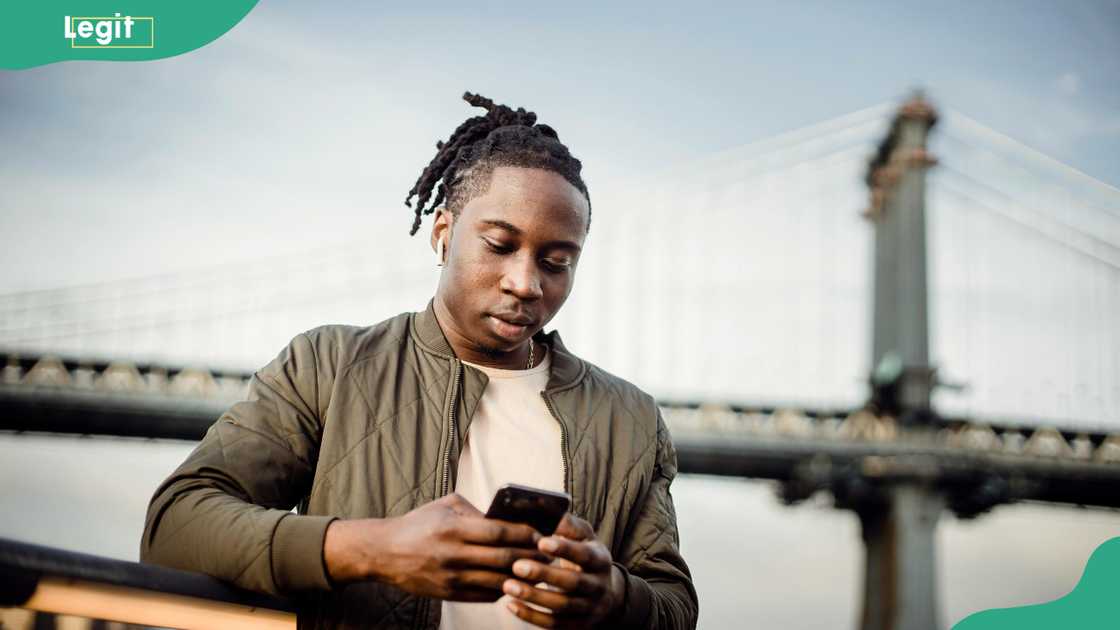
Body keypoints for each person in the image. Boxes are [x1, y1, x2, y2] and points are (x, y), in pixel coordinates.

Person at [140, 92, 698, 629]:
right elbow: (174, 527)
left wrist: (613, 597)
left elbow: (675, 606)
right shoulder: (329, 365)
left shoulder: (632, 418)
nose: (525, 283)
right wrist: (373, 550)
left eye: (555, 262)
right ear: (443, 234)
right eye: (500, 246)